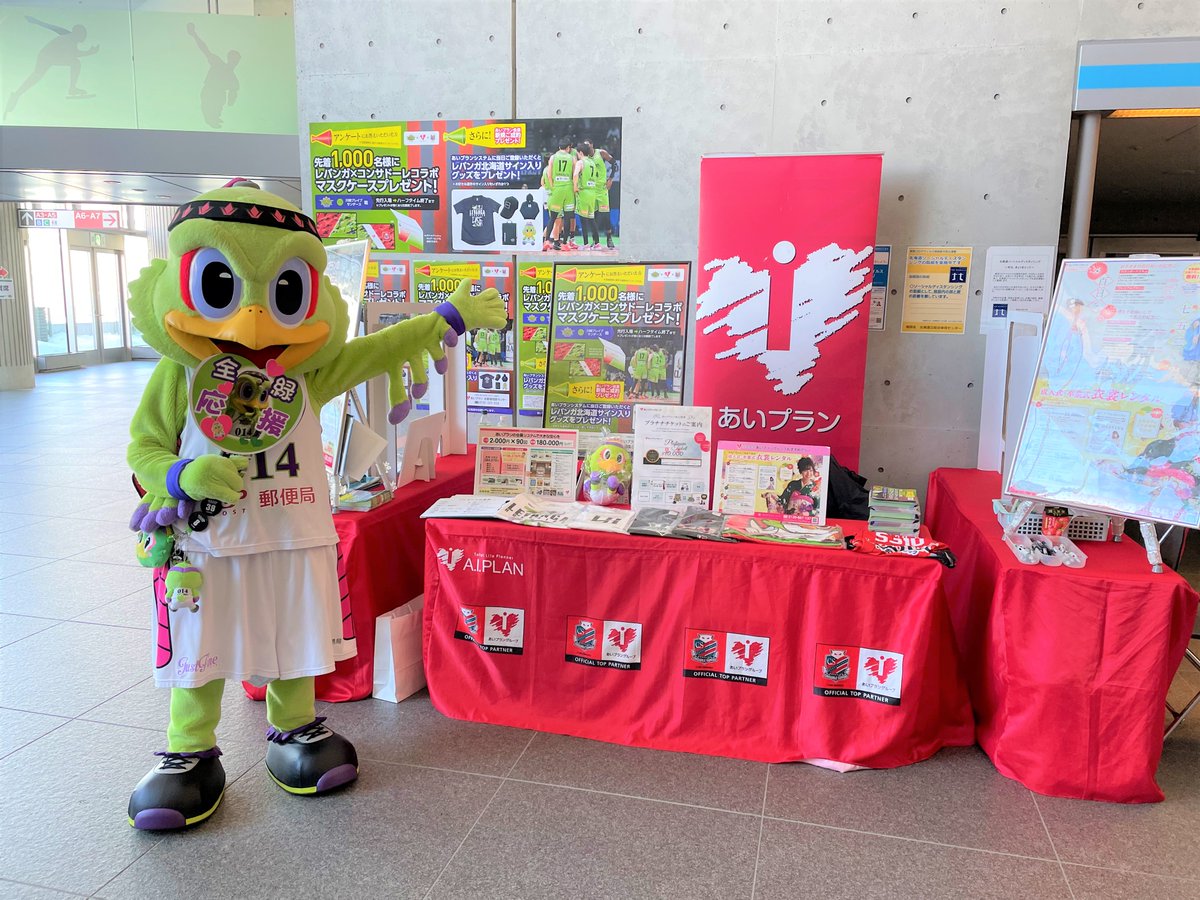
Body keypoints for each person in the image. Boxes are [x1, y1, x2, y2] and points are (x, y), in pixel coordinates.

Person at [5, 17, 98, 117]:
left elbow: (53, 28)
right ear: (78, 34)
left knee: (36, 76)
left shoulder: (69, 37)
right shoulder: (69, 39)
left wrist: (37, 22)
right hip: (46, 57)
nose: (83, 39)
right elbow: (74, 54)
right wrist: (89, 52)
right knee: (74, 63)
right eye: (83, 36)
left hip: (50, 56)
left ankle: (17, 94)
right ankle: (72, 88)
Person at [187, 23, 241, 129]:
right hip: (209, 91)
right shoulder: (218, 63)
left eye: (236, 60)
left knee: (215, 108)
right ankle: (211, 119)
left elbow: (233, 91)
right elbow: (204, 49)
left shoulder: (233, 79)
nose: (234, 61)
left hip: (219, 95)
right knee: (209, 109)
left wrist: (231, 98)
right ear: (229, 58)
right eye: (233, 59)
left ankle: (214, 118)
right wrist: (194, 35)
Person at [545, 140, 577, 251]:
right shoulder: (572, 158)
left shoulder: (553, 157)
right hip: (568, 189)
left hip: (557, 188)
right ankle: (564, 244)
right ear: (568, 148)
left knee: (553, 217)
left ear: (559, 147)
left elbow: (549, 174)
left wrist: (553, 186)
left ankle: (546, 242)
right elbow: (574, 175)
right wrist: (575, 188)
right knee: (567, 217)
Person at [573, 141, 599, 250]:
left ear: (580, 152)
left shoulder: (580, 162)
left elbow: (575, 174)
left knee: (583, 219)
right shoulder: (592, 162)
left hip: (584, 192)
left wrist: (575, 187)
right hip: (592, 192)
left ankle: (586, 244)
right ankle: (597, 243)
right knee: (592, 219)